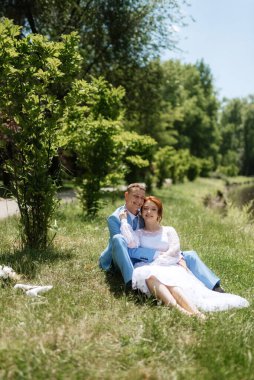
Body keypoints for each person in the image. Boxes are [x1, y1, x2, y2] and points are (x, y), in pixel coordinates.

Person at [119, 195, 249, 318]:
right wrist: (124, 220)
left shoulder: (169, 230)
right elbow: (130, 243)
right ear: (141, 212)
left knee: (172, 284)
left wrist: (159, 261)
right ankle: (182, 312)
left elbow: (175, 249)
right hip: (148, 267)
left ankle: (196, 313)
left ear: (159, 213)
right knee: (151, 277)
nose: (149, 212)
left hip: (168, 265)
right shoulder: (139, 233)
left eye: (153, 209)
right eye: (145, 209)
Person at [99, 183, 224, 293]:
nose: (139, 201)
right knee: (118, 238)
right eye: (135, 196)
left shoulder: (142, 214)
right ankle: (130, 283)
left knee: (189, 255)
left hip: (144, 254)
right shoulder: (115, 218)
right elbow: (125, 248)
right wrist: (156, 254)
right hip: (121, 258)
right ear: (126, 196)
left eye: (142, 198)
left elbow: (154, 233)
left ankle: (214, 285)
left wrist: (177, 255)